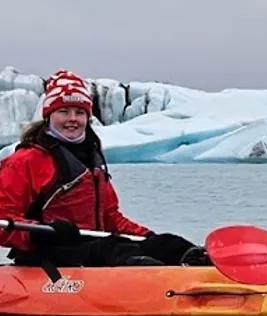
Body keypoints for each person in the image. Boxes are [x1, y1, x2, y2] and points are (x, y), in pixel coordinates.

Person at [0, 70, 209, 267]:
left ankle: (206, 273)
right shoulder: (25, 161)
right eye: (64, 111)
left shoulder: (92, 160)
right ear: (49, 116)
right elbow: (3, 220)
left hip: (91, 245)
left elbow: (111, 218)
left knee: (168, 245)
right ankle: (160, 288)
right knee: (116, 251)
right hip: (48, 251)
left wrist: (148, 236)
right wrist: (40, 233)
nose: (73, 119)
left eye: (79, 112)